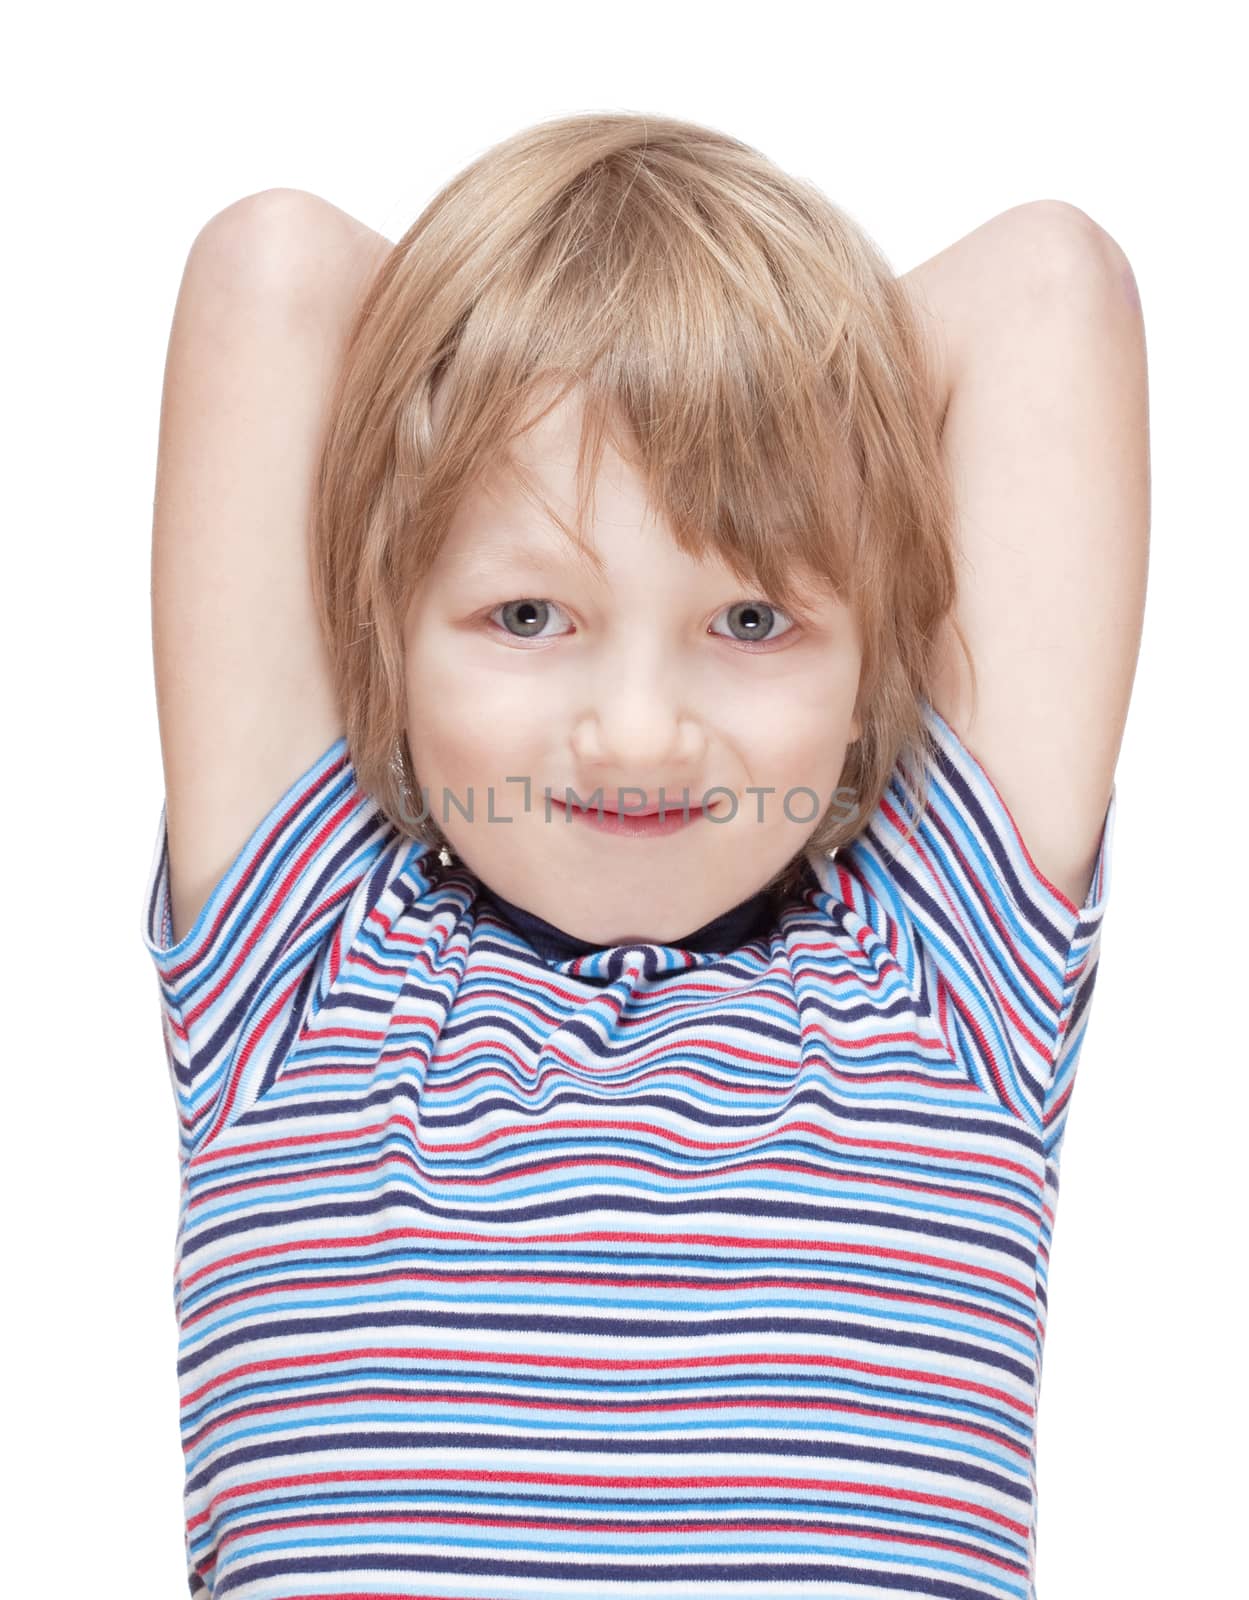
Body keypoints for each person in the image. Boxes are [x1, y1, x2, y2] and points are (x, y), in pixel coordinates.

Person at [140, 111, 1146, 1599]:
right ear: (380, 628)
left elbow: (1047, 290)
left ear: (873, 649)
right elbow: (270, 275)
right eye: (527, 617)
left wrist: (766, 390)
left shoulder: (945, 977)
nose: (636, 737)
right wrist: (550, 354)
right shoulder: (307, 970)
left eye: (751, 621)